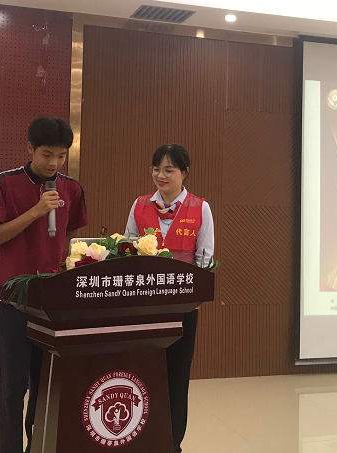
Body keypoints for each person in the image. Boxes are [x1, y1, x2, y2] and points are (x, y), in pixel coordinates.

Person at [0, 116, 87, 453]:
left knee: (46, 387)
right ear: (29, 148)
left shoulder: (72, 188)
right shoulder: (6, 182)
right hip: (10, 299)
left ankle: (37, 447)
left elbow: (69, 239)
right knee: (12, 388)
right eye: (46, 155)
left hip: (51, 301)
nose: (54, 163)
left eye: (61, 156)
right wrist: (36, 211)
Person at [124, 144, 214, 453]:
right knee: (144, 375)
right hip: (145, 308)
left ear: (184, 173)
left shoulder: (200, 208)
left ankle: (172, 444)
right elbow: (127, 252)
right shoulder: (139, 205)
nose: (160, 176)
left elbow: (204, 260)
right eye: (156, 169)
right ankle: (142, 440)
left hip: (183, 309)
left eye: (169, 170)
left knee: (176, 377)